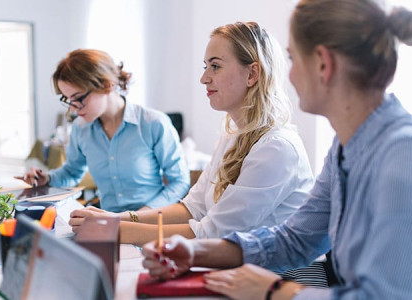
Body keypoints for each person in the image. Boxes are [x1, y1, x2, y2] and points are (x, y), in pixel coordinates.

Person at [140, 0, 412, 299]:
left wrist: (275, 290)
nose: (288, 76)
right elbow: (295, 239)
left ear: (324, 64)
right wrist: (194, 251)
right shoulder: (346, 149)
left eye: (293, 59)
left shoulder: (409, 156)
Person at [70, 22, 329, 287]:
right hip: (245, 266)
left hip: (288, 275)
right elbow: (192, 208)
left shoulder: (276, 147)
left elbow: (212, 233)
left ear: (252, 74)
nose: (204, 78)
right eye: (205, 67)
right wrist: (117, 218)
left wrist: (115, 229)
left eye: (215, 66)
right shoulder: (233, 136)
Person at [16, 49, 190, 213]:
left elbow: (180, 183)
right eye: (68, 100)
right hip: (107, 221)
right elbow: (72, 172)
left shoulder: (153, 124)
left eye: (78, 99)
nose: (74, 110)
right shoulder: (80, 129)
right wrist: (47, 178)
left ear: (106, 85)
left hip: (150, 223)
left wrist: (142, 215)